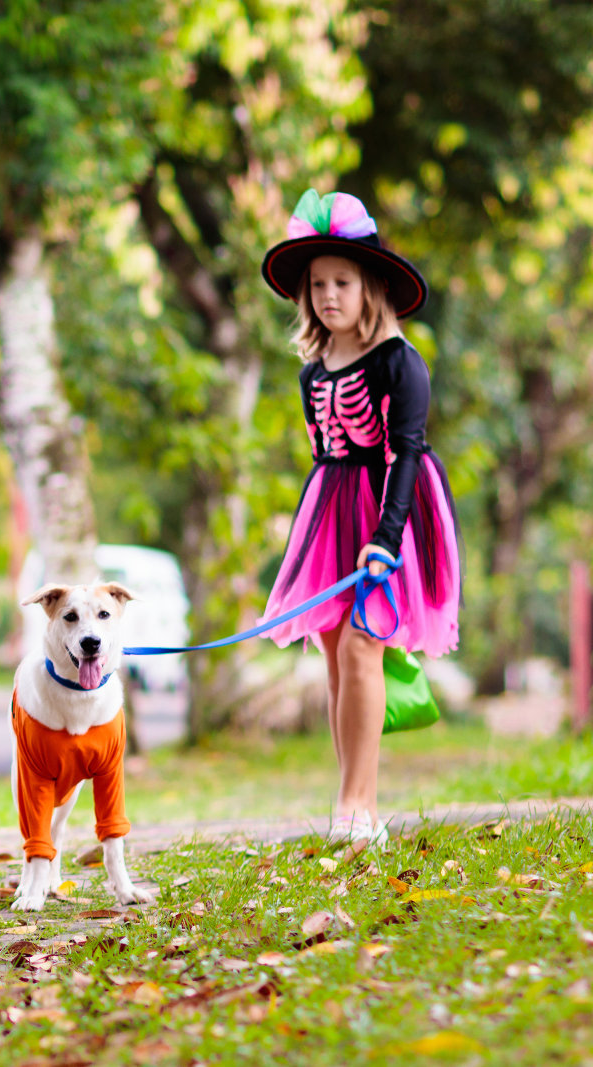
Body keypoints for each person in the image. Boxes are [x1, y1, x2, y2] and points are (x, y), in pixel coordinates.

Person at [259, 190, 462, 850]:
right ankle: (357, 806)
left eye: (341, 281)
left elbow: (406, 452)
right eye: (317, 284)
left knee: (360, 643)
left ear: (370, 285)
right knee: (334, 656)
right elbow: (326, 455)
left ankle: (356, 803)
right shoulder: (313, 370)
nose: (328, 295)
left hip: (392, 509)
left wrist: (385, 536)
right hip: (331, 509)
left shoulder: (399, 360)